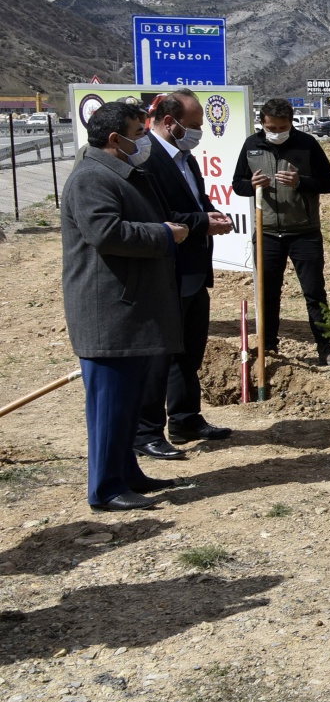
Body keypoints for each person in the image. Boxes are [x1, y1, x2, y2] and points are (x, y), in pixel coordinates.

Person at [61, 100, 188, 511]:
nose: (143, 142)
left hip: (130, 309)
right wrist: (164, 234)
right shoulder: (91, 178)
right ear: (115, 139)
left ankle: (127, 474)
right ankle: (106, 488)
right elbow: (107, 233)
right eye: (138, 134)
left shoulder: (122, 173)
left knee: (128, 405)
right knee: (110, 407)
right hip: (109, 312)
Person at [134, 90, 235, 461]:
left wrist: (212, 214)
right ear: (168, 121)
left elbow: (195, 202)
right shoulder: (146, 158)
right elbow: (157, 216)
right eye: (192, 125)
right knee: (159, 355)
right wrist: (202, 222)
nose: (197, 132)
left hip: (193, 270)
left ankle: (185, 418)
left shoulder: (185, 158)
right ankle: (146, 431)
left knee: (189, 352)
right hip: (165, 271)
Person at [232, 97, 330, 365]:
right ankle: (269, 348)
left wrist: (300, 182)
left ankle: (326, 349)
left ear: (291, 123)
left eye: (283, 128)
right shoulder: (251, 145)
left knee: (314, 292)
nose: (278, 133)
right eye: (272, 128)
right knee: (268, 294)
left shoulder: (307, 143)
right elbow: (237, 184)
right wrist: (252, 185)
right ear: (262, 123)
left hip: (304, 232)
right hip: (267, 233)